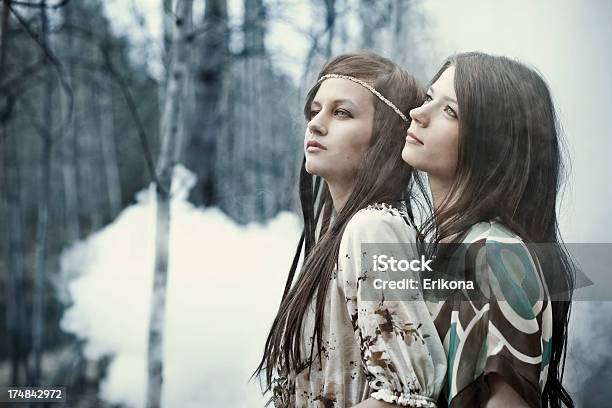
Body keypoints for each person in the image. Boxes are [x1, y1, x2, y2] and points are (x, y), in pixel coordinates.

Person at [254, 52, 447, 407]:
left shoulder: (373, 229)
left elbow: (403, 398)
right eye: (315, 111)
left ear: (385, 136)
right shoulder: (341, 231)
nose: (316, 124)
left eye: (341, 112)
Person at [401, 52, 574, 407]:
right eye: (429, 98)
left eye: (449, 111)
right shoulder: (450, 250)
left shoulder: (494, 254)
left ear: (492, 142)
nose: (418, 113)